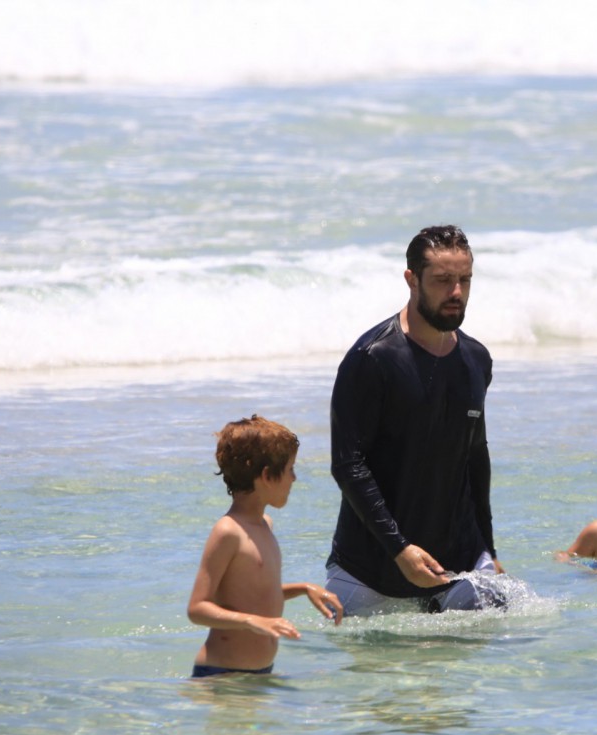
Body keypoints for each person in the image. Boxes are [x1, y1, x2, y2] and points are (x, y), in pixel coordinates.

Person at [326, 225, 505, 616]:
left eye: (464, 280)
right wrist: (400, 549)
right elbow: (348, 465)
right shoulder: (372, 358)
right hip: (371, 574)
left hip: (460, 568)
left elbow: (475, 455)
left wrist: (487, 548)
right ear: (411, 279)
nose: (456, 292)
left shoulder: (476, 359)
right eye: (443, 281)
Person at [187, 415, 343, 678]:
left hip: (260, 673)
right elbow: (197, 608)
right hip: (222, 676)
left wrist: (304, 588)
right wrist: (252, 621)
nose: (294, 478)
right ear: (267, 476)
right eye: (291, 469)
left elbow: (254, 597)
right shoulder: (228, 532)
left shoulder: (265, 526)